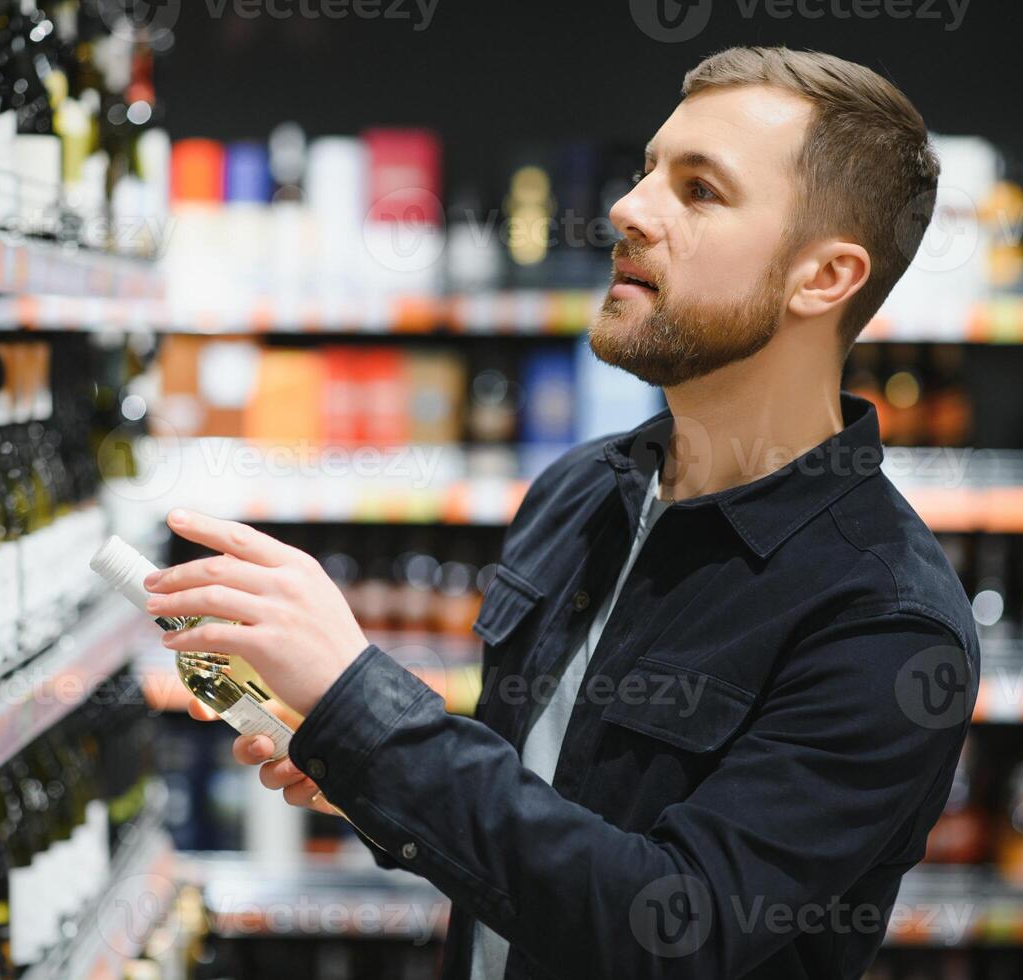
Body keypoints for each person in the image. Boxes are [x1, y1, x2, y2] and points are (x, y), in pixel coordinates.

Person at [143, 45, 979, 980]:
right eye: (647, 171)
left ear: (822, 278)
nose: (628, 209)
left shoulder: (885, 620)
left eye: (699, 191)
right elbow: (539, 810)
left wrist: (365, 706)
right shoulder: (579, 495)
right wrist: (370, 777)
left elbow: (672, 929)